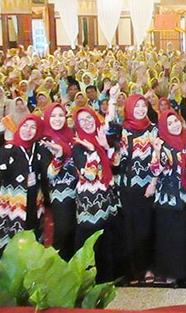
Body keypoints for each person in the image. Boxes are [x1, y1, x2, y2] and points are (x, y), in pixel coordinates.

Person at [0, 114, 54, 264]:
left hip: (34, 199)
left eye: (33, 127)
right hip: (13, 202)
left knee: (33, 236)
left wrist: (57, 154)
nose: (28, 130)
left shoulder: (39, 149)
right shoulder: (9, 148)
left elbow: (49, 172)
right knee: (10, 242)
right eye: (25, 125)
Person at [73, 107, 121, 283]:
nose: (87, 122)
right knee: (89, 240)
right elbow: (90, 175)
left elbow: (116, 165)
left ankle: (107, 278)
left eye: (89, 118)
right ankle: (88, 281)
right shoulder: (78, 146)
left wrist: (105, 147)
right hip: (90, 202)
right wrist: (94, 151)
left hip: (107, 197)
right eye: (82, 120)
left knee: (107, 238)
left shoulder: (101, 139)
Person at [115, 92, 158, 283]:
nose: (140, 109)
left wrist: (153, 182)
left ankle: (148, 267)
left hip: (147, 186)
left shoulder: (153, 130)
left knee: (146, 228)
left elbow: (158, 158)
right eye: (136, 106)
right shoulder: (122, 130)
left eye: (143, 106)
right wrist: (112, 101)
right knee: (129, 228)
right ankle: (133, 270)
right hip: (127, 187)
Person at [147, 109, 186, 285]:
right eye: (169, 124)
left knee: (184, 237)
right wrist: (157, 152)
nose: (174, 125)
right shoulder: (162, 145)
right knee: (170, 239)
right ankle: (170, 275)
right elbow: (154, 170)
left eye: (176, 121)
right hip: (168, 199)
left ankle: (185, 274)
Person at [41, 103, 78, 261]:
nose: (57, 119)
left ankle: (74, 266)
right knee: (63, 231)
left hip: (78, 189)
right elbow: (49, 174)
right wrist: (59, 156)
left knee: (75, 229)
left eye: (61, 115)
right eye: (53, 116)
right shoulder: (45, 140)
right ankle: (58, 266)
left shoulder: (71, 134)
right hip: (60, 192)